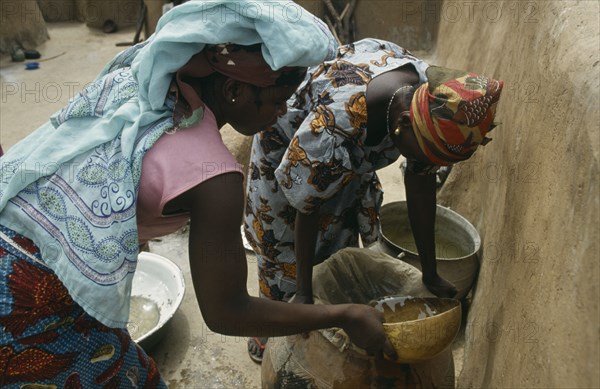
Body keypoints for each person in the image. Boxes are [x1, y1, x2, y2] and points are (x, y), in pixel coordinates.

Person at [0, 3, 398, 387]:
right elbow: (226, 312)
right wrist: (344, 315)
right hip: (25, 294)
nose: (281, 115)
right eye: (278, 101)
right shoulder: (215, 179)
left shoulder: (141, 79)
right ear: (232, 90)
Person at [244, 37, 504, 362]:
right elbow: (305, 204)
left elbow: (420, 177)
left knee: (336, 247)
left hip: (338, 160)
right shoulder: (339, 123)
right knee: (283, 258)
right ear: (404, 124)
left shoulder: (428, 97)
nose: (426, 167)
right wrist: (305, 295)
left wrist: (430, 272)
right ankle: (269, 330)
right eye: (425, 157)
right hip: (287, 152)